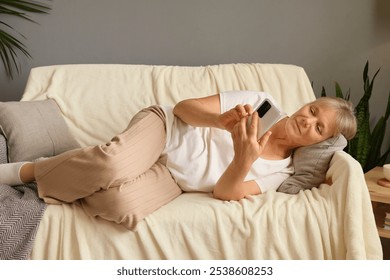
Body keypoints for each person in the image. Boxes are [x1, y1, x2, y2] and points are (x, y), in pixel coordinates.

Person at [0, 90, 357, 230]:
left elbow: (224, 192)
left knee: (119, 206)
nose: (306, 120)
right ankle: (25, 170)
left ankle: (80, 163)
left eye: (317, 126)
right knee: (111, 166)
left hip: (175, 179)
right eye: (311, 110)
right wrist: (219, 120)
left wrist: (243, 160)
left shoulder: (283, 171)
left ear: (321, 140)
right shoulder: (259, 101)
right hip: (166, 129)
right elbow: (185, 109)